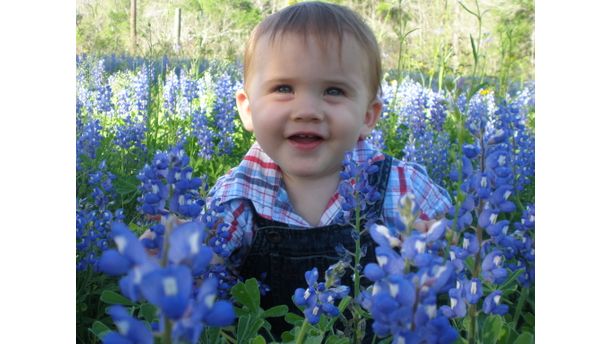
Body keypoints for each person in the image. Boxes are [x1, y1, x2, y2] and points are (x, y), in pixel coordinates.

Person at [205, 1, 452, 337]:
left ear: (368, 116)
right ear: (247, 110)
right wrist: (172, 252)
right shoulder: (236, 196)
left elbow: (462, 248)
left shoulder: (400, 185)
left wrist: (438, 241)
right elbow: (209, 279)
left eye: (333, 91)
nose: (307, 110)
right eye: (283, 88)